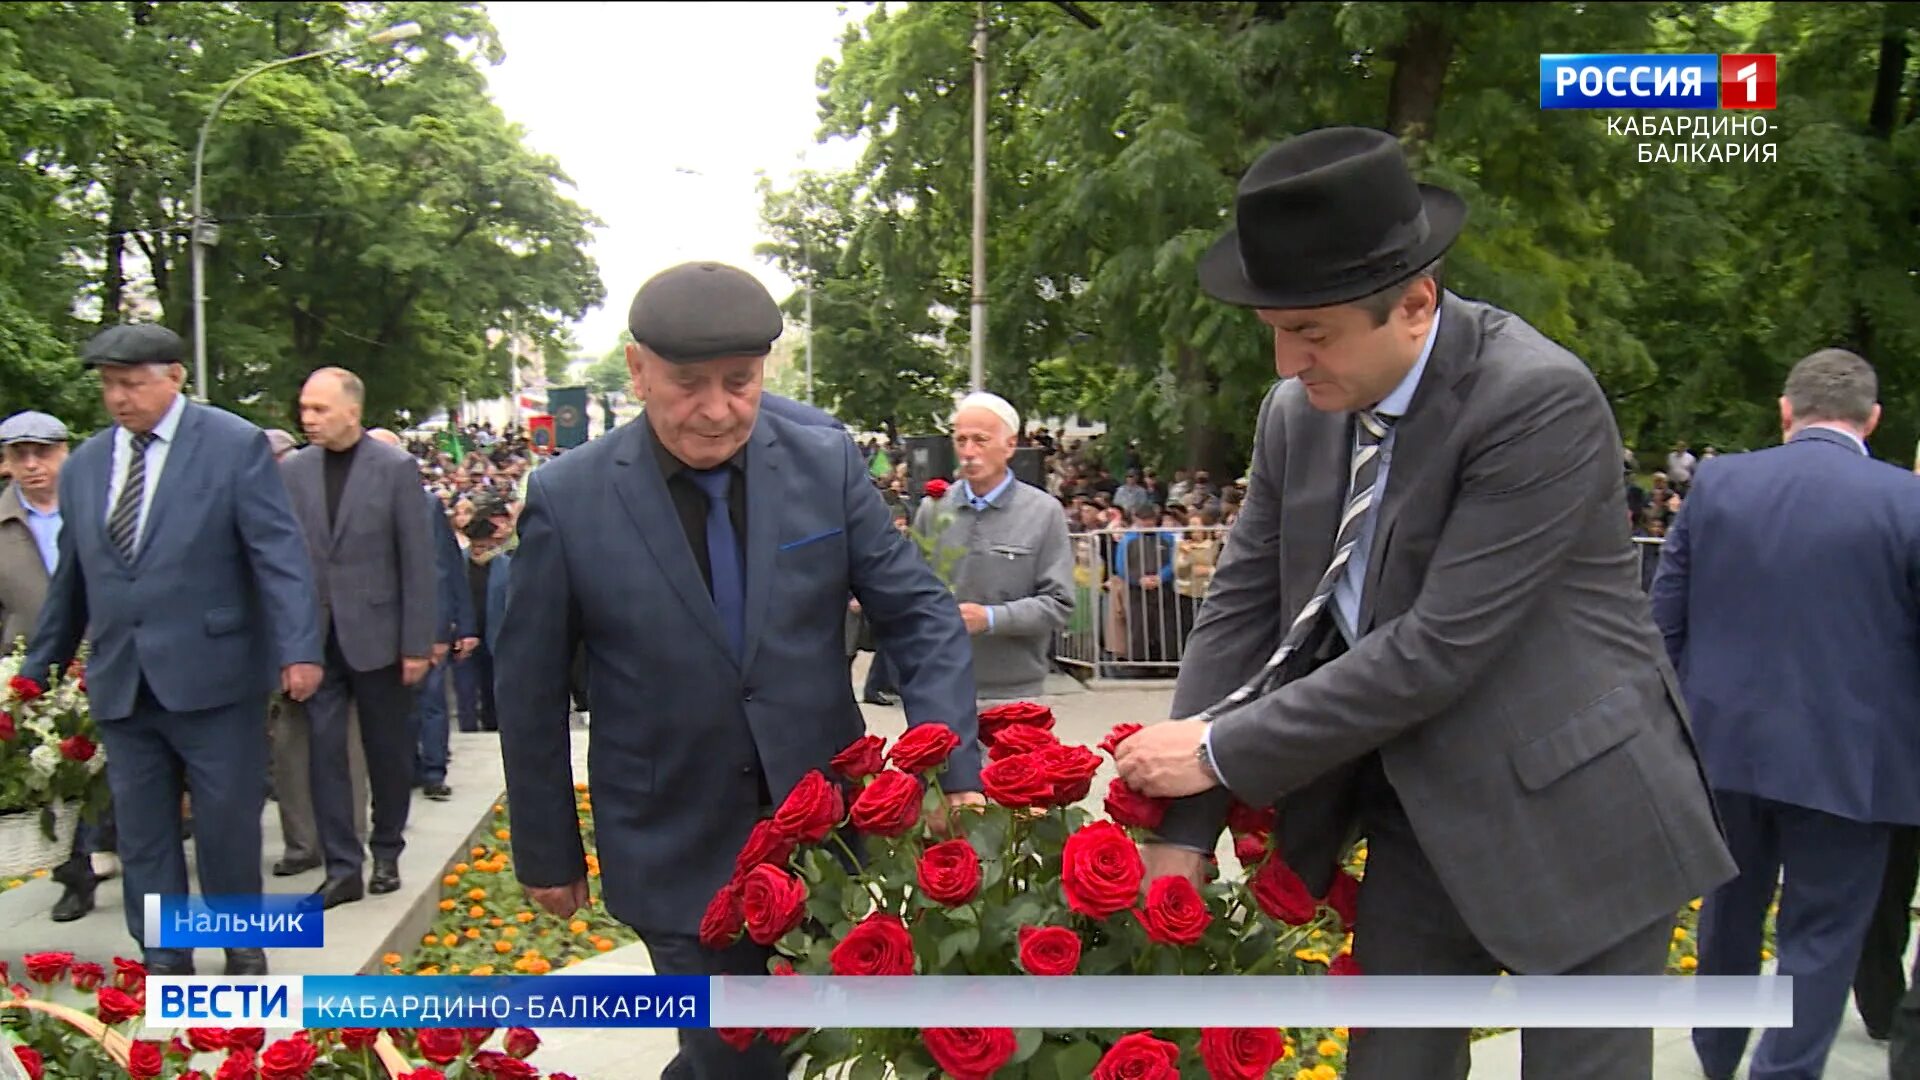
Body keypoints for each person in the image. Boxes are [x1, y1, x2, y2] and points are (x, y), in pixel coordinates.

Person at [1112, 127, 1733, 1080]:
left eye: (1312, 334)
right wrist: (1184, 827)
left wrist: (1212, 752)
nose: (1286, 364)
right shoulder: (1298, 416)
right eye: (1274, 330)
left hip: (1580, 818)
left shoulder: (1537, 402)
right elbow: (1242, 612)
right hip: (1419, 818)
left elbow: (1437, 648)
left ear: (1414, 304)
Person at [494, 260, 983, 1080]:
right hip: (673, 842)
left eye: (740, 382)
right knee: (737, 1059)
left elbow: (921, 614)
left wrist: (953, 762)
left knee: (782, 1053)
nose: (718, 410)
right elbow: (529, 686)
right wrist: (547, 849)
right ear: (639, 370)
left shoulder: (822, 464)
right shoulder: (570, 497)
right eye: (689, 384)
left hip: (823, 836)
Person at [1650, 348, 1920, 1080]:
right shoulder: (1907, 501)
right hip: (1854, 763)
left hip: (1723, 746)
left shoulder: (1721, 484)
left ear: (1785, 409)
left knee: (1728, 916)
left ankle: (1716, 1057)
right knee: (1823, 934)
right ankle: (1783, 1071)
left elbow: (1663, 622)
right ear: (1872, 419)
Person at [23, 324, 323, 976]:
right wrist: (30, 680)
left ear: (175, 377)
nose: (119, 398)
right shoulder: (85, 466)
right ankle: (164, 956)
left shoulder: (232, 446)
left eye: (132, 384)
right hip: (123, 682)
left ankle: (241, 949)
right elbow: (71, 583)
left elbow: (279, 557)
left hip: (215, 678)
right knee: (144, 834)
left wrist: (300, 648)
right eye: (108, 386)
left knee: (224, 826)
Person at [280, 368, 437, 906]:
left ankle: (386, 850)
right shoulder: (294, 471)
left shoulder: (394, 468)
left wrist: (419, 641)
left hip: (381, 637)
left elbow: (418, 559)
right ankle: (342, 866)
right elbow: (287, 563)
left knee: (387, 751)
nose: (307, 418)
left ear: (352, 410)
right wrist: (291, 644)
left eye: (319, 409)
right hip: (318, 641)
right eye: (304, 408)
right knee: (324, 756)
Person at [0, 410, 115, 923]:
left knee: (123, 769)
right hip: (35, 671)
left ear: (65, 453)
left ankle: (129, 847)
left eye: (42, 452)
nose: (32, 464)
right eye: (19, 454)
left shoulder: (97, 510)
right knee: (59, 774)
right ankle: (76, 876)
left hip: (104, 657)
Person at [912, 391, 1074, 702]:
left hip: (1014, 694)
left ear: (1010, 445)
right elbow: (913, 590)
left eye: (981, 440)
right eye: (961, 441)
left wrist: (990, 618)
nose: (969, 452)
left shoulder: (1043, 512)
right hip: (940, 686)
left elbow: (1059, 604)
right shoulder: (933, 509)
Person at [368, 427, 477, 802]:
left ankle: (433, 770)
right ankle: (407, 767)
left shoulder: (425, 505)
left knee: (431, 701)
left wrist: (459, 625)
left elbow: (444, 567)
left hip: (428, 622)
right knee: (397, 707)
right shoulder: (359, 503)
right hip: (380, 626)